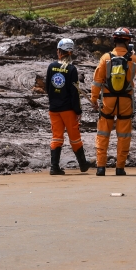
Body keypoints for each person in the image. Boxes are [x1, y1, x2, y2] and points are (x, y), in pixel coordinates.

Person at [90, 28, 136, 176]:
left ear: (114, 41)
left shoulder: (105, 58)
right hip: (125, 103)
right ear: (128, 41)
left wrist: (94, 99)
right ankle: (120, 168)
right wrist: (135, 57)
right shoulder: (133, 59)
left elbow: (97, 82)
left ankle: (101, 167)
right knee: (124, 136)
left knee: (103, 134)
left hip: (108, 101)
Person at [46, 38, 91, 175]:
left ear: (59, 51)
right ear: (70, 53)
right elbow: (74, 93)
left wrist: (53, 102)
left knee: (56, 137)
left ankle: (54, 167)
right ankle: (83, 164)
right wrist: (78, 110)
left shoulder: (51, 67)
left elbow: (48, 87)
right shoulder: (71, 69)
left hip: (54, 109)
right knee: (75, 137)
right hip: (68, 110)